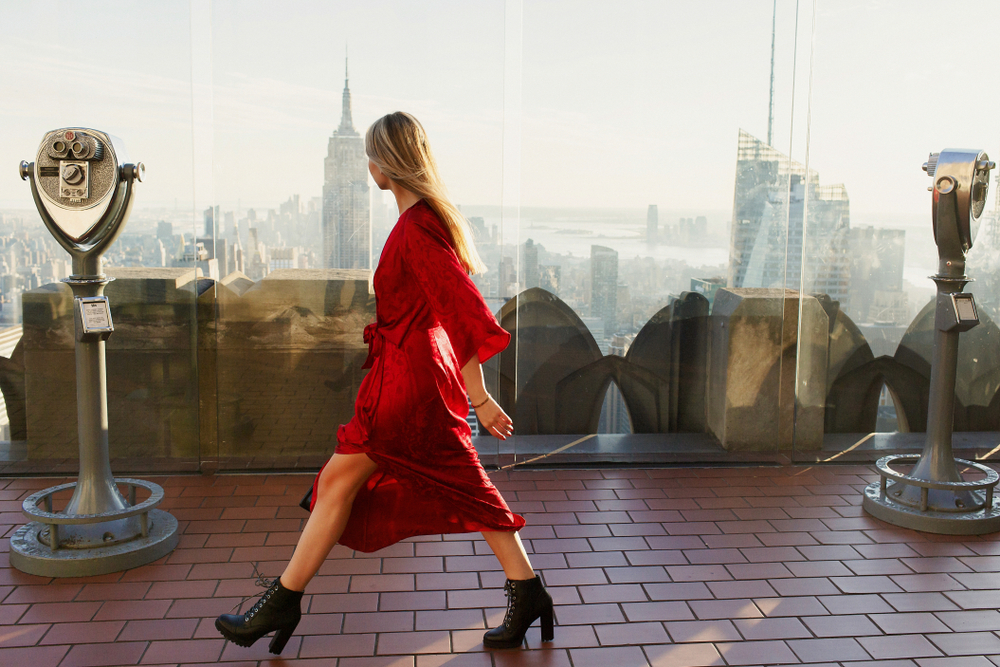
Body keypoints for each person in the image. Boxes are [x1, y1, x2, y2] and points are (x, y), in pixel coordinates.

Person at [215, 111, 554, 654]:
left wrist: (482, 399)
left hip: (408, 387)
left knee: (430, 485)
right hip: (403, 376)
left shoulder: (417, 228)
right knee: (346, 484)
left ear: (385, 167)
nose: (367, 166)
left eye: (370, 156)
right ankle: (526, 590)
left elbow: (461, 312)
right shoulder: (425, 221)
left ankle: (280, 604)